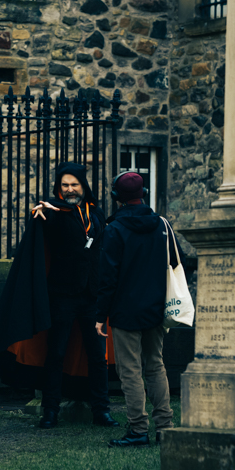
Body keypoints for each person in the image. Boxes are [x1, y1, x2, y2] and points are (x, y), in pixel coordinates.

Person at [27, 163, 118, 429]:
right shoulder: (53, 212)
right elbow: (41, 225)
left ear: (83, 186)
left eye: (74, 184)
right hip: (62, 295)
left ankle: (101, 411)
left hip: (92, 296)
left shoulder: (96, 213)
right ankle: (50, 411)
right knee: (56, 353)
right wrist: (39, 212)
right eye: (64, 185)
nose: (69, 190)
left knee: (97, 356)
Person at [94, 172, 175, 448]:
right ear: (144, 194)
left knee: (130, 370)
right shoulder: (162, 224)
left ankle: (138, 428)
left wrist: (100, 315)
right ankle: (165, 426)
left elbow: (108, 278)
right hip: (156, 307)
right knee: (155, 365)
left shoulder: (114, 229)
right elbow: (176, 262)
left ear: (116, 197)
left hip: (125, 310)